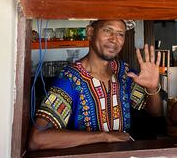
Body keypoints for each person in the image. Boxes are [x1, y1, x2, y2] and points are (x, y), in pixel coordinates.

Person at [28, 20, 162, 150]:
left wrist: (152, 88)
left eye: (120, 34)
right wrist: (104, 136)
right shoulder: (70, 79)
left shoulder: (124, 72)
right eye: (107, 30)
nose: (114, 39)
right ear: (90, 32)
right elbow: (37, 139)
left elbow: (155, 112)